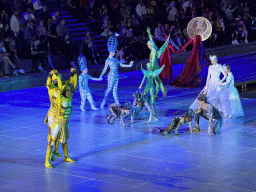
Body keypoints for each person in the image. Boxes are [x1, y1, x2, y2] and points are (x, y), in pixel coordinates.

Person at [45, 68, 77, 168]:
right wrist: (52, 76)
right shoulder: (54, 90)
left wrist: (73, 74)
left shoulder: (63, 90)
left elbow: (72, 85)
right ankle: (50, 154)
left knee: (63, 139)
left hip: (63, 118)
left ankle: (58, 151)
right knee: (52, 135)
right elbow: (50, 84)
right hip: (54, 113)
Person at [99, 34, 134, 108]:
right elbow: (105, 68)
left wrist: (129, 65)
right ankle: (103, 102)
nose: (114, 52)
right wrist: (101, 76)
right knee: (108, 90)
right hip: (111, 76)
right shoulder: (108, 60)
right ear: (110, 51)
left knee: (115, 90)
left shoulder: (115, 59)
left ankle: (117, 102)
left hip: (116, 76)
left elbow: (121, 65)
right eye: (113, 51)